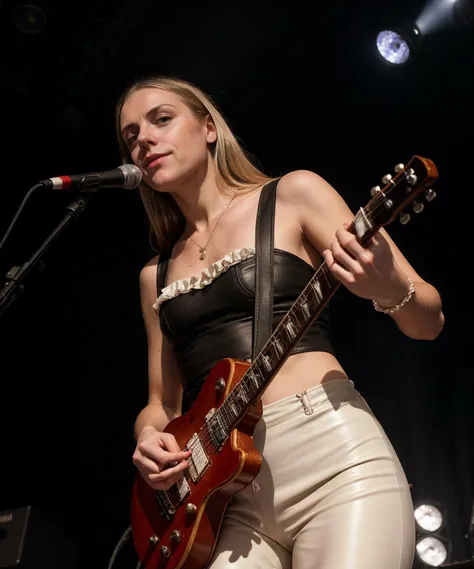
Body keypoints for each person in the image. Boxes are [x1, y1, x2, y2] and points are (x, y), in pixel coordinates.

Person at [115, 75, 444, 569]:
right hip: (227, 500)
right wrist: (147, 438)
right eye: (131, 135)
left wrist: (387, 288)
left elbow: (430, 319)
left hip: (333, 456)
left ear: (209, 129)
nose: (144, 139)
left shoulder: (293, 194)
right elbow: (161, 403)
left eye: (161, 119)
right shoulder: (153, 275)